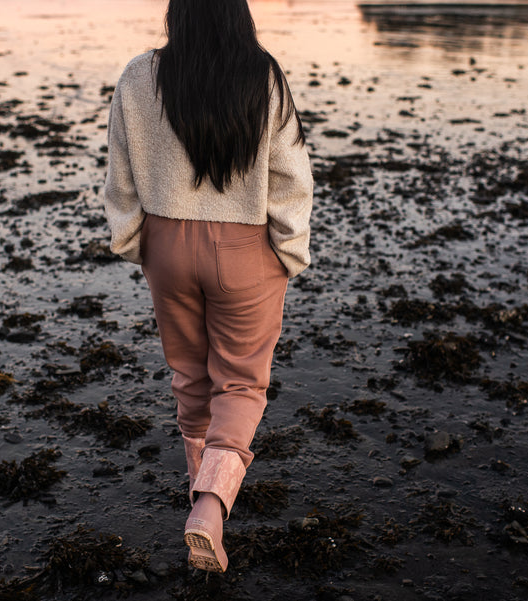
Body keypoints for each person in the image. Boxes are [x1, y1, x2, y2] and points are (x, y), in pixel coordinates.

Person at [103, 0, 313, 573]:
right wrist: (290, 250)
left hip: (167, 245)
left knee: (190, 375)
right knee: (242, 382)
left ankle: (201, 497)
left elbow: (120, 170)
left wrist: (131, 239)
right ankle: (210, 509)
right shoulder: (261, 73)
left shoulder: (138, 75)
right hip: (245, 247)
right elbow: (290, 172)